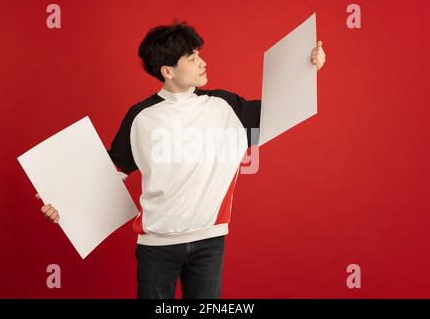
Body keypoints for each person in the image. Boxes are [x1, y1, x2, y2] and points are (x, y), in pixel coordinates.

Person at [36, 20, 326, 299]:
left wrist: (309, 67)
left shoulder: (224, 107)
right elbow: (111, 174)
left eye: (199, 54)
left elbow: (282, 109)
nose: (202, 62)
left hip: (209, 243)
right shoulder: (140, 117)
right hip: (155, 247)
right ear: (168, 71)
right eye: (191, 58)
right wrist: (62, 202)